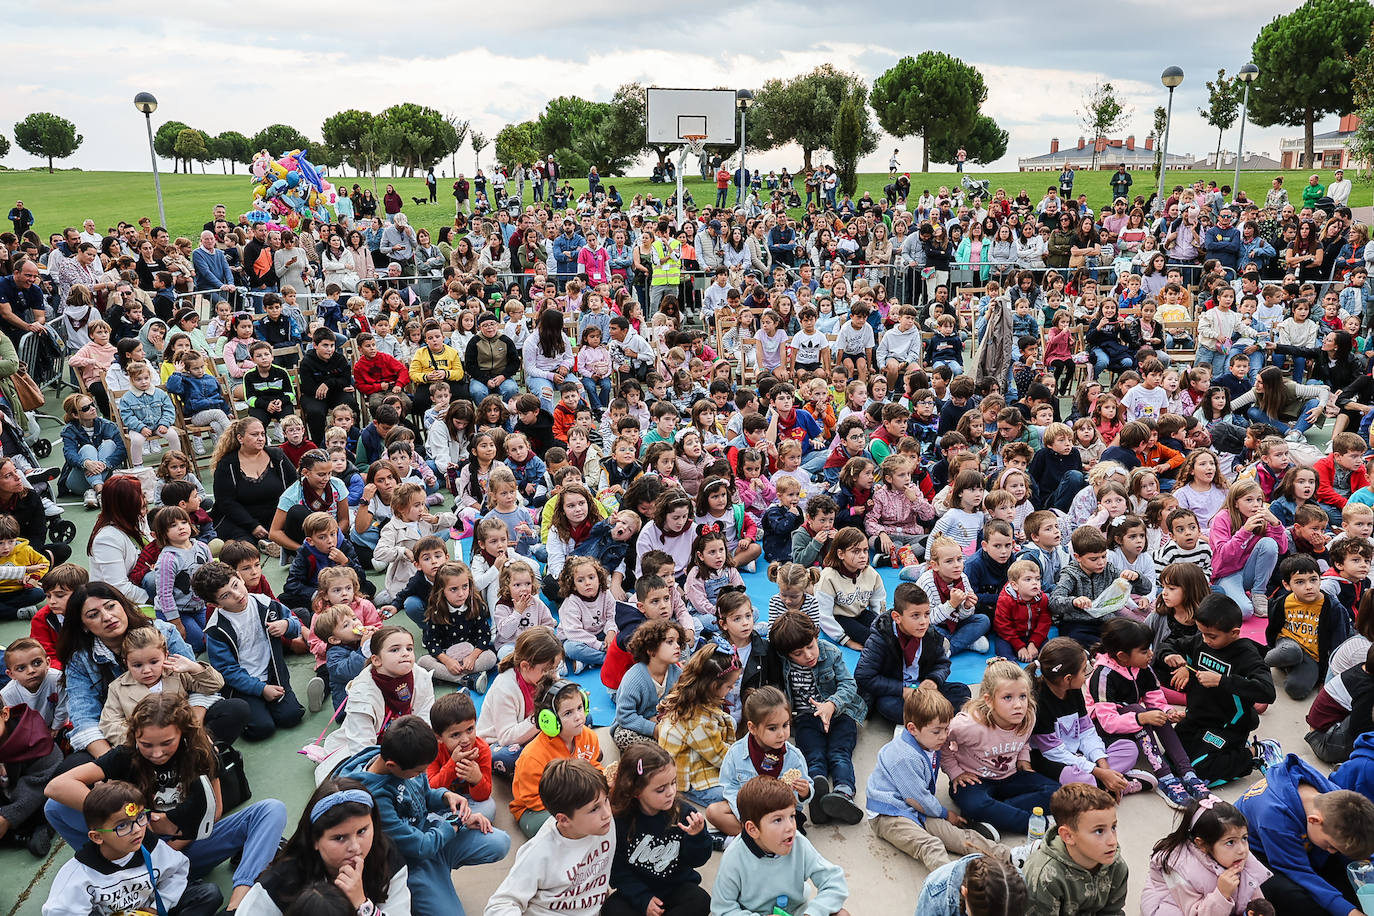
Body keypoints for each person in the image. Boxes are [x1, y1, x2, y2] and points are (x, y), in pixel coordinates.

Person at [45, 693, 284, 911]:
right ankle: (110, 869)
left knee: (271, 810)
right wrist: (126, 817)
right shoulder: (125, 755)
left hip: (187, 845)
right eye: (146, 744)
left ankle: (239, 903)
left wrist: (170, 847)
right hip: (135, 842)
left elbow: (214, 813)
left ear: (183, 733)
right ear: (135, 736)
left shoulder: (200, 753)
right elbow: (56, 786)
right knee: (56, 806)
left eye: (166, 743)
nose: (156, 753)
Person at [337, 714, 510, 916]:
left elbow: (425, 793)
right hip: (411, 860)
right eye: (418, 771)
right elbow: (419, 847)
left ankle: (438, 880)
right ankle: (417, 892)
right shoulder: (374, 800)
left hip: (429, 835)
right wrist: (456, 823)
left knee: (500, 842)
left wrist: (445, 796)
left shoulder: (402, 757)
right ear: (392, 766)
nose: (421, 774)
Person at [41, 780, 223, 916]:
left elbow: (177, 871)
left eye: (141, 818)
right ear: (97, 837)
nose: (137, 830)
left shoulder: (151, 848)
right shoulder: (79, 875)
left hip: (152, 910)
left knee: (209, 894)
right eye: (122, 826)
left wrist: (157, 908)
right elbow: (58, 911)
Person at [237, 777, 411, 916]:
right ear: (314, 840)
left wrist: (362, 905)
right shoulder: (283, 880)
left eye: (362, 831)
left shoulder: (385, 856)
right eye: (339, 837)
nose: (355, 847)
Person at [1236, 750, 1374, 916]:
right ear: (1315, 820)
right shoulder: (1275, 818)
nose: (1331, 850)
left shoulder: (1333, 796)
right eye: (1330, 846)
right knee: (1298, 900)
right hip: (1259, 851)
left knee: (1349, 879)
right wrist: (1350, 912)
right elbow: (1300, 874)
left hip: (1297, 837)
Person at [484, 759, 615, 916]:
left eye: (606, 799)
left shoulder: (605, 823)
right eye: (594, 809)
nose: (607, 813)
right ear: (564, 820)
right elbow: (499, 905)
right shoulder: (540, 852)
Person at [711, 775, 850, 916]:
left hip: (796, 911)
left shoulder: (798, 843)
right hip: (753, 913)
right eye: (778, 820)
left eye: (792, 816)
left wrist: (812, 913)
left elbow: (833, 881)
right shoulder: (734, 858)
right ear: (753, 829)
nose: (790, 827)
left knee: (841, 914)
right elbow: (722, 908)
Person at [603, 741, 713, 916]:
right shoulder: (619, 821)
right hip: (637, 892)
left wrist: (697, 836)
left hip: (675, 887)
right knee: (612, 909)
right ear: (636, 791)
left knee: (700, 900)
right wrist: (643, 899)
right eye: (661, 789)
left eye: (673, 782)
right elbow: (617, 871)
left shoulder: (685, 814)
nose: (670, 792)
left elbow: (697, 861)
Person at [1142, 798, 1271, 916]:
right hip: (1175, 905)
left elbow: (1251, 890)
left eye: (1244, 838)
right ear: (1202, 844)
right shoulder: (1181, 868)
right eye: (1230, 842)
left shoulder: (1237, 856)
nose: (1243, 850)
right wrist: (1221, 894)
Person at [1022, 784, 1129, 916]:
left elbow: (1112, 912)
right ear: (1068, 836)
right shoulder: (1046, 877)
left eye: (1113, 827)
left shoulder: (1116, 865)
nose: (1112, 841)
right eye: (1099, 831)